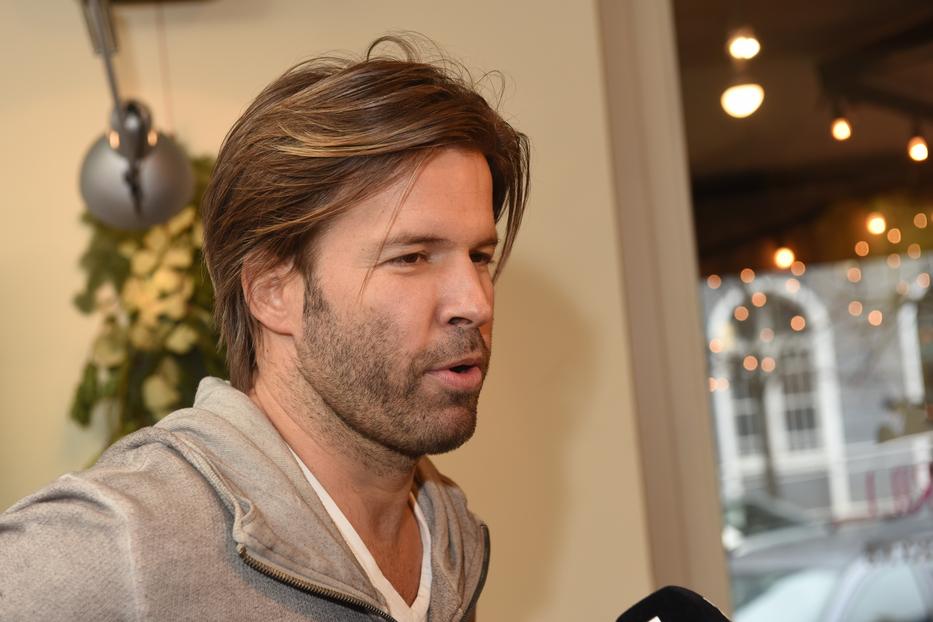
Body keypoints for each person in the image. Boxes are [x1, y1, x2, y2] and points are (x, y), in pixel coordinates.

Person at [0, 36, 529, 621]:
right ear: (273, 292)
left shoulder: (452, 541)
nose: (475, 303)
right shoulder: (132, 534)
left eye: (479, 256)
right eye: (411, 257)